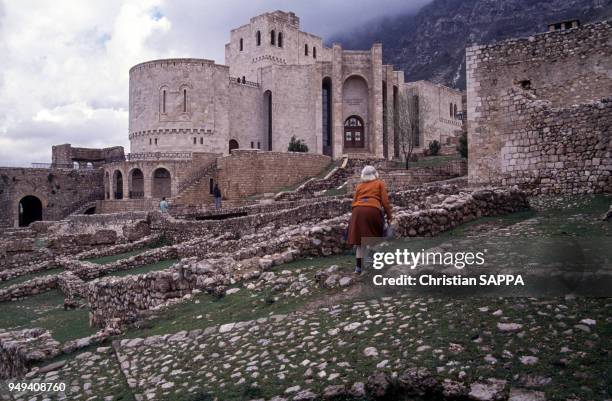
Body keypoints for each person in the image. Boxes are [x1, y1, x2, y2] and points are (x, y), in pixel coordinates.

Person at [347, 165, 392, 274]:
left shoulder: (359, 186)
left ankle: (358, 268)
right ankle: (370, 263)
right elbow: (385, 202)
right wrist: (389, 216)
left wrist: (357, 213)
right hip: (373, 210)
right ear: (375, 174)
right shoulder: (380, 183)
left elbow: (353, 202)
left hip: (358, 211)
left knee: (359, 242)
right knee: (373, 238)